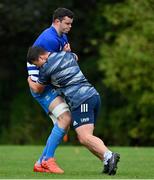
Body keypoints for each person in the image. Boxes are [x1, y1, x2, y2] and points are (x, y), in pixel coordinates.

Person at [27, 47, 120, 175]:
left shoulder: (46, 68)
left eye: (36, 64)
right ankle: (106, 161)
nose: (38, 67)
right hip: (93, 96)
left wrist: (29, 81)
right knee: (85, 138)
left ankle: (109, 155)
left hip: (81, 100)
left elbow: (38, 89)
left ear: (41, 58)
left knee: (84, 136)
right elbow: (75, 56)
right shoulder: (66, 55)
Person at [27, 7, 74, 174]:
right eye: (67, 23)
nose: (69, 26)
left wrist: (68, 56)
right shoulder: (49, 39)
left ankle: (41, 162)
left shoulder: (62, 36)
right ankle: (47, 160)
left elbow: (65, 61)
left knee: (64, 124)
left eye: (71, 23)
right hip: (42, 87)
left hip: (48, 85)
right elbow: (49, 66)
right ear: (57, 21)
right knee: (65, 118)